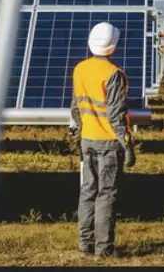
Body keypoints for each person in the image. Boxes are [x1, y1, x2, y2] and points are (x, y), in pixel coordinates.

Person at [69, 22, 136, 257]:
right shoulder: (113, 74)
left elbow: (76, 107)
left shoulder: (80, 69)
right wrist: (127, 145)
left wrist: (80, 129)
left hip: (86, 138)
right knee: (106, 195)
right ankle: (103, 249)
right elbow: (116, 116)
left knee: (87, 191)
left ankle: (84, 245)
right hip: (108, 143)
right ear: (113, 46)